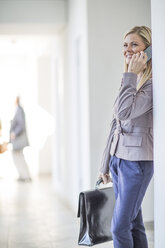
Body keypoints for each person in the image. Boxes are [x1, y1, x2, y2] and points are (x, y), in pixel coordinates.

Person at [99, 26, 153, 248]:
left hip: (137, 163)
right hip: (118, 160)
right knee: (134, 224)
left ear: (148, 51)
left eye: (134, 44)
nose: (128, 49)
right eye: (125, 44)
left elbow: (124, 112)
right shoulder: (131, 80)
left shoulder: (150, 83)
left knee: (119, 227)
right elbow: (115, 122)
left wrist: (129, 74)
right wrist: (105, 162)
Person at [10, 96, 31, 182]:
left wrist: (14, 133)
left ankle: (25, 176)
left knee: (18, 157)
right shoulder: (18, 109)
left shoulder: (19, 110)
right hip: (18, 140)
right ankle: (23, 176)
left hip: (19, 140)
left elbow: (21, 125)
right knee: (19, 157)